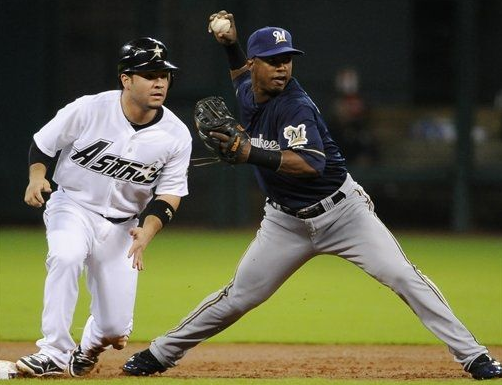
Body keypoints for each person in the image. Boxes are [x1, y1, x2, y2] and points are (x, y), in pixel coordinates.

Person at [122, 12, 502, 381]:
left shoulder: (295, 105)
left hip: (344, 215)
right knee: (239, 296)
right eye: (272, 61)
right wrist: (231, 45)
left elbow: (309, 164)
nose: (282, 68)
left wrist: (249, 152)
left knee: (404, 277)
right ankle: (160, 353)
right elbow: (240, 75)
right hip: (285, 222)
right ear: (256, 64)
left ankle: (474, 356)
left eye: (286, 59)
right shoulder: (249, 89)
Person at [16, 37, 192, 377]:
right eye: (149, 74)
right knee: (65, 256)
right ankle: (53, 351)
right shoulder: (89, 109)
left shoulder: (176, 135)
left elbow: (170, 194)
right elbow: (43, 144)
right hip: (73, 206)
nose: (159, 82)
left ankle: (86, 350)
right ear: (126, 79)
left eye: (164, 75)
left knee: (114, 330)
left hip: (124, 225)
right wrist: (37, 178)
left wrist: (147, 232)